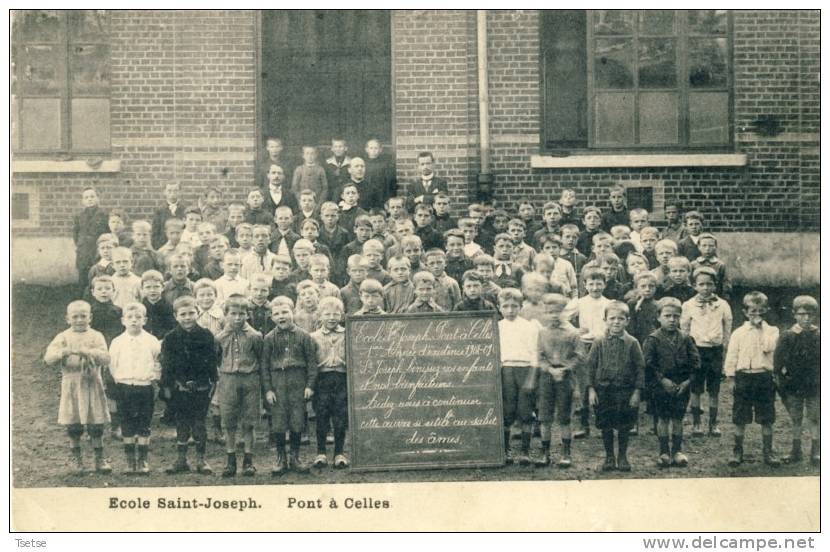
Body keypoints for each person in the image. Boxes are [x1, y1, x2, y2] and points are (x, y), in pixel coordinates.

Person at [44, 300, 112, 474]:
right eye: (75, 316)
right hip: (72, 385)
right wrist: (63, 352)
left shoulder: (96, 336)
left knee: (96, 424)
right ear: (68, 318)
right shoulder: (63, 337)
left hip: (92, 383)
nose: (80, 320)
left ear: (90, 317)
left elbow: (106, 358)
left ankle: (99, 459)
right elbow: (48, 358)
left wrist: (90, 352)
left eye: (84, 316)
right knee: (73, 424)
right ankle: (77, 460)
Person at [160, 296, 219, 475]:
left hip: (201, 387)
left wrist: (211, 382)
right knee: (182, 422)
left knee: (199, 423)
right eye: (183, 314)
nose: (187, 317)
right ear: (175, 316)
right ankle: (181, 459)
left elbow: (211, 362)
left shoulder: (206, 335)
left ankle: (201, 460)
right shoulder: (170, 338)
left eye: (191, 313)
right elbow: (168, 365)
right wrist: (169, 386)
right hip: (180, 388)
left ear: (198, 312)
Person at [262, 296, 319, 475]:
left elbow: (312, 363)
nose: (281, 316)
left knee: (297, 420)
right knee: (278, 422)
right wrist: (269, 389)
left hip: (298, 381)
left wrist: (309, 385)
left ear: (292, 312)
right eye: (276, 314)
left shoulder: (304, 336)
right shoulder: (269, 338)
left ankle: (295, 457)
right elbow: (264, 366)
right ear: (272, 317)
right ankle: (281, 458)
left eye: (285, 312)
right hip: (278, 383)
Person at [586, 301, 645, 472]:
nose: (616, 322)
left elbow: (640, 368)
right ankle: (609, 456)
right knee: (606, 424)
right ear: (605, 320)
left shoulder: (632, 342)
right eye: (612, 318)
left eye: (621, 318)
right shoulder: (598, 342)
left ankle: (623, 456)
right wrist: (591, 389)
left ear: (627, 320)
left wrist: (637, 392)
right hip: (604, 391)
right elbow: (589, 366)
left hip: (625, 391)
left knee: (624, 425)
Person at [724, 292, 781, 467]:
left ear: (766, 311)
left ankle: (768, 452)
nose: (756, 315)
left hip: (763, 378)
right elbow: (732, 356)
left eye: (760, 311)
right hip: (744, 379)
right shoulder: (738, 333)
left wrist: (762, 328)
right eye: (752, 311)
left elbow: (768, 347)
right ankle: (737, 451)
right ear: (745, 312)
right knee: (740, 416)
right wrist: (731, 378)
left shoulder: (772, 331)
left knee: (766, 417)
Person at [643, 297, 701, 468]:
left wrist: (687, 382)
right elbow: (648, 364)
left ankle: (677, 450)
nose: (671, 320)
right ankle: (663, 452)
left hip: (681, 386)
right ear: (659, 317)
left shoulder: (686, 338)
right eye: (667, 316)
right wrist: (662, 380)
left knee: (677, 418)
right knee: (663, 418)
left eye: (676, 316)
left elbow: (696, 362)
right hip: (661, 386)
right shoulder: (652, 339)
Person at [108, 302, 161, 474]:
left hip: (144, 386)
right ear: (123, 320)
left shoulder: (151, 341)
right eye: (130, 317)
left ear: (144, 320)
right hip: (124, 387)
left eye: (138, 317)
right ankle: (130, 461)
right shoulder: (117, 342)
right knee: (127, 422)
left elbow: (156, 363)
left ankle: (143, 460)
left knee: (144, 422)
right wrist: (121, 380)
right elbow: (112, 365)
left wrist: (152, 380)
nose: (134, 321)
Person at [681, 267, 733, 437]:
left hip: (715, 351)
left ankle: (713, 423)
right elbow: (685, 329)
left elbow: (727, 327)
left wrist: (725, 347)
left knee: (714, 389)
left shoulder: (723, 305)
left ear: (715, 285)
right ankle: (697, 423)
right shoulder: (688, 305)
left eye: (709, 284)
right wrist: (687, 350)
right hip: (697, 350)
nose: (705, 288)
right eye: (701, 284)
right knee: (696, 388)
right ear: (694, 285)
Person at [216, 294, 264, 477]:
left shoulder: (255, 336)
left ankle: (248, 460)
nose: (237, 318)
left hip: (250, 380)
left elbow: (260, 359)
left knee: (249, 422)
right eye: (233, 313)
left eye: (242, 314)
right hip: (228, 380)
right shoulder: (220, 337)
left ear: (248, 315)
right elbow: (216, 358)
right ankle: (230, 460)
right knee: (228, 422)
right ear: (226, 314)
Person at [774, 296, 820, 465]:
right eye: (802, 314)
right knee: (796, 418)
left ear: (815, 315)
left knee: (815, 417)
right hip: (793, 385)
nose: (806, 318)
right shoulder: (787, 336)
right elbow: (778, 363)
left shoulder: (819, 335)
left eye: (810, 314)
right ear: (794, 314)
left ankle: (816, 452)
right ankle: (796, 450)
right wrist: (782, 383)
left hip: (816, 385)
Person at [535, 293, 580, 468]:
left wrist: (564, 369)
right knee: (545, 417)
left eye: (558, 311)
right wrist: (550, 369)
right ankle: (545, 453)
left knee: (564, 417)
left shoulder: (572, 333)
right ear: (545, 313)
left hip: (565, 377)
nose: (554, 315)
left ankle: (566, 453)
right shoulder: (542, 332)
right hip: (547, 377)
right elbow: (539, 355)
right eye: (550, 312)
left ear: (565, 312)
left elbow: (579, 356)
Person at [497, 288, 540, 465]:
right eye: (505, 306)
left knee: (525, 411)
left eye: (514, 306)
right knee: (507, 411)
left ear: (521, 307)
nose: (510, 310)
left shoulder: (529, 327)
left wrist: (531, 377)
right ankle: (506, 450)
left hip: (525, 369)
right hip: (506, 370)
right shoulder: (497, 327)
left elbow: (535, 354)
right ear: (499, 307)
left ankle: (525, 451)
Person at [310, 297, 350, 468]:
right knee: (321, 416)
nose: (332, 317)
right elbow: (311, 362)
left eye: (336, 314)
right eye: (327, 314)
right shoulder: (313, 337)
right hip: (322, 380)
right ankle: (321, 453)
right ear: (320, 315)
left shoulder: (348, 334)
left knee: (340, 417)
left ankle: (339, 453)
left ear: (342, 315)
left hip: (341, 378)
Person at [73, 187, 110, 292]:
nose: (90, 199)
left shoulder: (104, 215)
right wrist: (81, 244)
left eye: (92, 196)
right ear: (83, 201)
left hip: (97, 251)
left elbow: (107, 233)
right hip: (83, 252)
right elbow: (76, 233)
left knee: (98, 276)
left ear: (98, 198)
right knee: (83, 279)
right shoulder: (79, 216)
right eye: (86, 197)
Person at [690, 233, 732, 300]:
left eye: (711, 246)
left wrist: (725, 297)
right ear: (699, 247)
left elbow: (725, 283)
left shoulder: (720, 265)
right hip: (697, 298)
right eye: (704, 245)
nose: (707, 249)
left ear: (715, 247)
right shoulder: (693, 265)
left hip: (716, 297)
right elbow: (691, 282)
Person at [140, 270, 176, 340]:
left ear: (162, 287)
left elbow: (172, 329)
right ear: (142, 289)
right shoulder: (140, 309)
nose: (152, 290)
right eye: (148, 287)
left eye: (156, 287)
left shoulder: (169, 308)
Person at [364, 138, 397, 204]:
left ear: (380, 150)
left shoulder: (386, 164)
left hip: (381, 195)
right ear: (366, 149)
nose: (373, 150)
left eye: (376, 148)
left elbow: (389, 183)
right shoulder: (363, 164)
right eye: (371, 148)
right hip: (367, 194)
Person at [151, 181, 183, 249]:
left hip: (181, 245)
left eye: (175, 191)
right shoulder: (159, 211)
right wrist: (158, 247)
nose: (172, 194)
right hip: (163, 246)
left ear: (180, 192)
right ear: (164, 192)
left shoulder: (184, 209)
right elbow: (155, 232)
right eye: (169, 191)